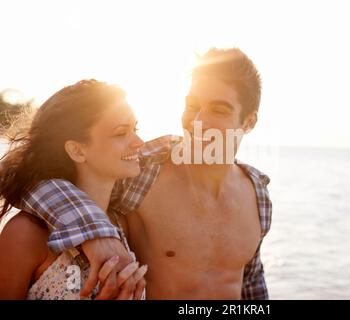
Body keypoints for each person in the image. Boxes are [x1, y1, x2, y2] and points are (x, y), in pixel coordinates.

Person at [16, 48, 272, 299]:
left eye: (219, 110)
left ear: (249, 122)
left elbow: (252, 286)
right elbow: (33, 184)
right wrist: (94, 231)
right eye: (193, 105)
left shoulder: (257, 193)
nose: (198, 121)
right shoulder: (145, 173)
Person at [0, 79, 147, 299]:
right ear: (77, 150)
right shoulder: (26, 234)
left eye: (135, 129)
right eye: (120, 133)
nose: (139, 142)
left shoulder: (121, 223)